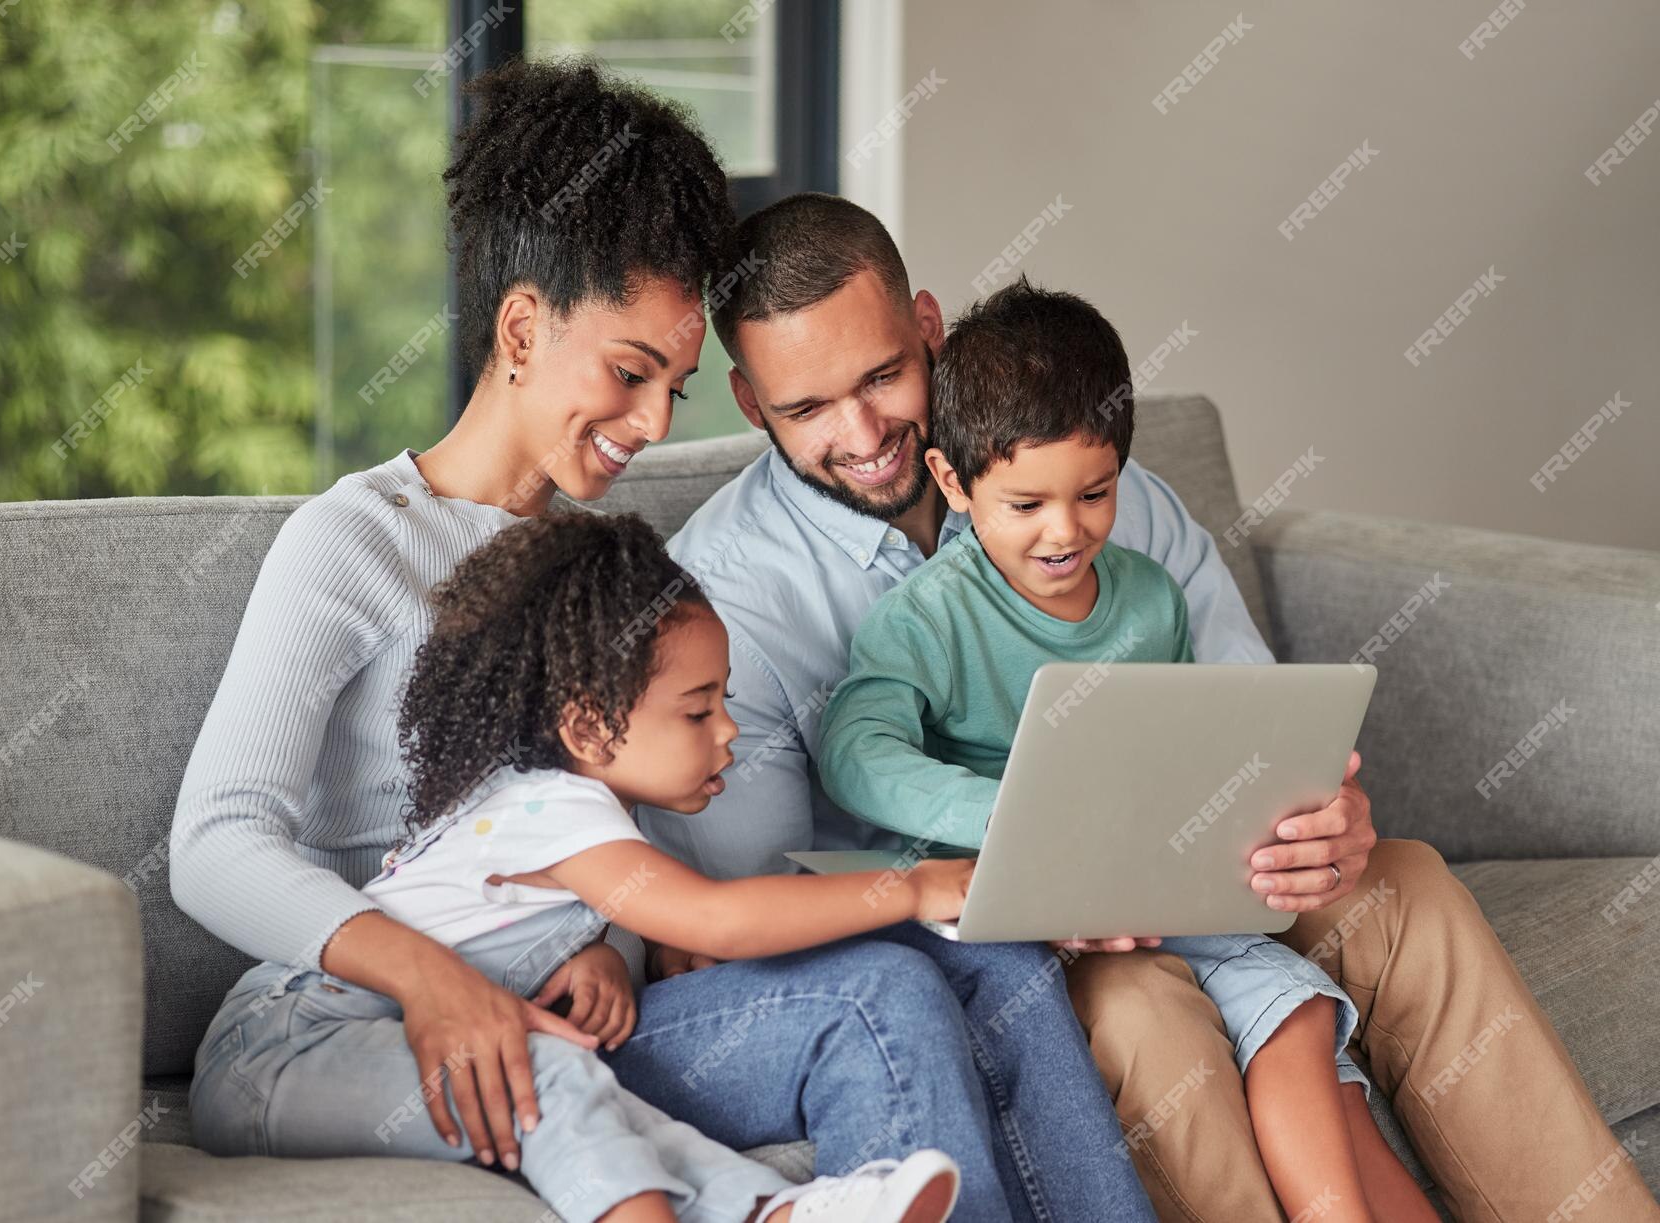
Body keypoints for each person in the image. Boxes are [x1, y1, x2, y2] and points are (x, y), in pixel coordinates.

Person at [172, 59, 1121, 1223]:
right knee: (877, 987)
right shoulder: (354, 543)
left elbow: (610, 846)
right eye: (628, 373)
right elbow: (216, 840)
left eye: (675, 385)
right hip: (370, 1017)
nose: (654, 423)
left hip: (574, 1012)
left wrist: (610, 953)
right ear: (521, 326)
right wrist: (429, 979)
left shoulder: (607, 578)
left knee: (983, 964)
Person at [651, 189, 1659, 1222]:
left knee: (1406, 886)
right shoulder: (721, 597)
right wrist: (1032, 866)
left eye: (880, 376)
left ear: (926, 326)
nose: (861, 433)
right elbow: (764, 895)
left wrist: (1313, 811)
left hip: (1188, 870)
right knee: (1146, 1021)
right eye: (804, 408)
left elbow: (1247, 714)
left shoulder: (1107, 506)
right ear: (745, 399)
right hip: (997, 937)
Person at [816, 280, 1438, 1223]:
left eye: (1094, 494)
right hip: (1044, 914)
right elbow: (856, 752)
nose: (1065, 531)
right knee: (1213, 1035)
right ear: (952, 482)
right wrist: (1018, 817)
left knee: (1306, 1016)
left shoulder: (1151, 598)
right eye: (1025, 503)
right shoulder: (928, 617)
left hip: (1169, 888)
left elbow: (1191, 738)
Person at [206, 510, 971, 1223]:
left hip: (340, 1044)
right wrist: (910, 886)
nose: (731, 730)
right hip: (287, 1047)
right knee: (546, 1073)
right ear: (588, 726)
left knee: (616, 1108)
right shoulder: (553, 810)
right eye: (699, 709)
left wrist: (603, 952)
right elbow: (718, 919)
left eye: (725, 701)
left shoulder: (569, 814)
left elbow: (534, 922)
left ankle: (769, 1209)